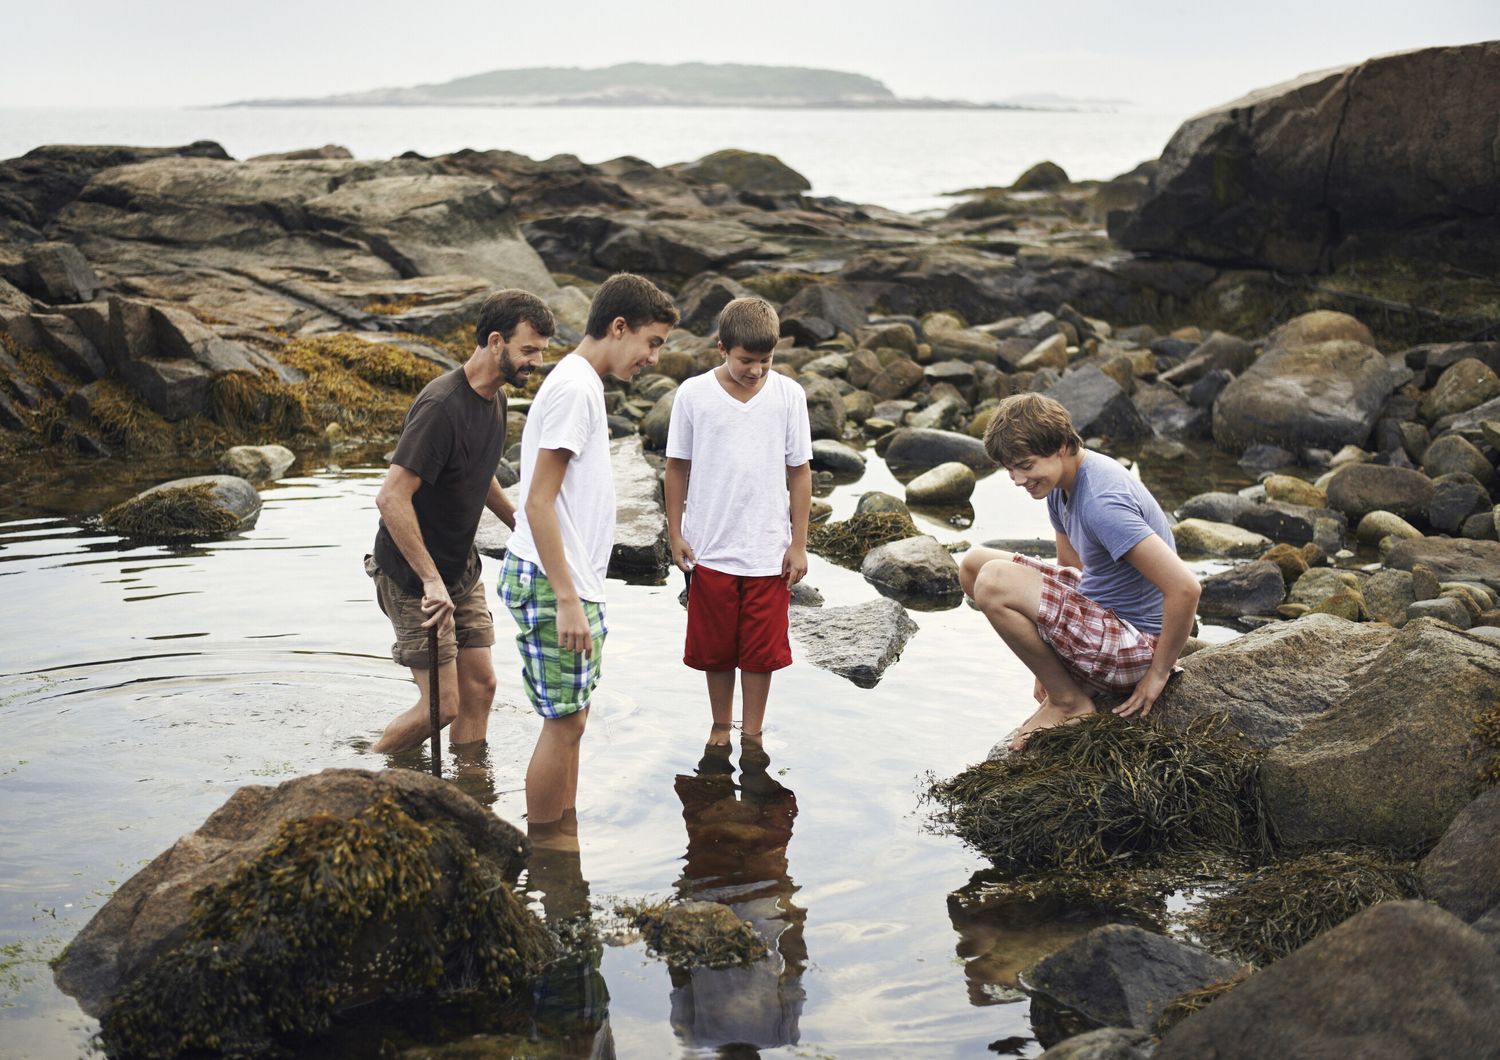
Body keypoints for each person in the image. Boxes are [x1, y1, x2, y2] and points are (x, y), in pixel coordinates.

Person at [497, 272, 678, 843]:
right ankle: (549, 850)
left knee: (571, 721)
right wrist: (570, 598)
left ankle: (563, 835)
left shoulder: (578, 383)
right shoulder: (576, 388)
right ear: (618, 326)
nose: (653, 358)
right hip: (557, 583)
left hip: (564, 579)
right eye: (652, 342)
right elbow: (539, 499)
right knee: (564, 722)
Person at [366, 289, 554, 755]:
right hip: (414, 578)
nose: (536, 362)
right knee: (441, 706)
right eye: (528, 350)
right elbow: (391, 497)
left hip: (460, 569)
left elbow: (478, 469)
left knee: (481, 688)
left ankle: (469, 788)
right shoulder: (441, 406)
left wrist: (519, 523)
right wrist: (430, 581)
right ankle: (364, 775)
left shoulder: (495, 399)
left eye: (542, 353)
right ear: (495, 341)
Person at [959, 392, 1200, 750]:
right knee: (973, 565)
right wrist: (1050, 663)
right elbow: (1073, 571)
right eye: (1010, 469)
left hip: (1136, 643)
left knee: (994, 581)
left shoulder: (1103, 503)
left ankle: (1069, 702)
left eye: (1025, 465)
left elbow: (1186, 588)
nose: (1018, 479)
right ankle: (1065, 686)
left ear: (1059, 446)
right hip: (1104, 619)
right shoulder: (1063, 483)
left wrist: (1158, 673)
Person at [664, 296, 812, 744]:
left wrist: (799, 542)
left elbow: (800, 471)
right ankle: (720, 724)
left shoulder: (788, 395)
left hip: (768, 550)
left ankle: (754, 730)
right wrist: (675, 534)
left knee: (762, 653)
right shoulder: (693, 394)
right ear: (722, 348)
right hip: (710, 547)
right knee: (716, 650)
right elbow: (676, 468)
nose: (756, 371)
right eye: (747, 360)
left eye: (766, 361)